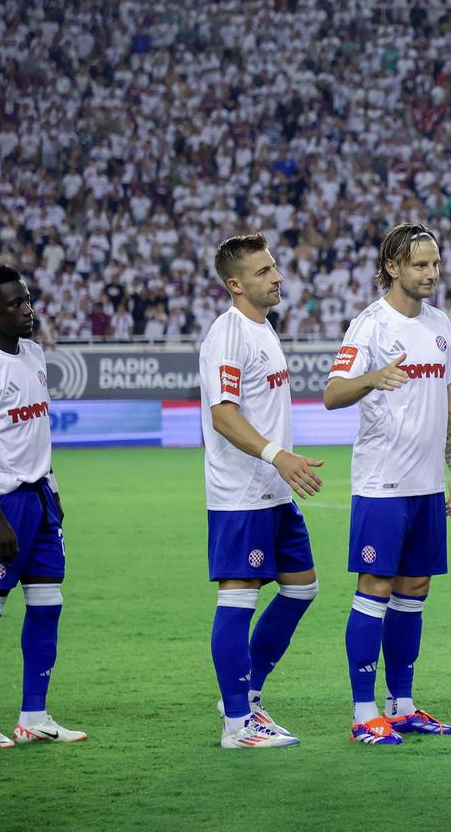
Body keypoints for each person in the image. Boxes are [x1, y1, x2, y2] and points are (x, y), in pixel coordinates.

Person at [325, 223, 451, 746]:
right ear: (392, 267)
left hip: (428, 484)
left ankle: (402, 705)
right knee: (375, 592)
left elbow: (446, 397)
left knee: (414, 592)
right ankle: (364, 714)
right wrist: (371, 378)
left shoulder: (439, 324)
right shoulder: (369, 326)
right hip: (382, 484)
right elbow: (333, 392)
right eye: (420, 265)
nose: (431, 274)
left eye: (435, 264)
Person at [199, 233, 322, 749]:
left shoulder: (264, 329)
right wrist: (279, 455)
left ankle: (246, 695)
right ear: (235, 284)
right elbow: (223, 415)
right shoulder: (227, 336)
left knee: (302, 588)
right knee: (239, 597)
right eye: (263, 271)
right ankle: (236, 725)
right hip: (242, 496)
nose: (276, 276)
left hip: (274, 494)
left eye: (274, 267)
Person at [0, 265, 85, 749]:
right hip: (3, 504)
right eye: (15, 304)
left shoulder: (34, 353)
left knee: (47, 606)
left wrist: (52, 490)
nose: (28, 310)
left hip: (40, 500)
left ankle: (33, 716)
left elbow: (38, 430)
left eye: (28, 299)